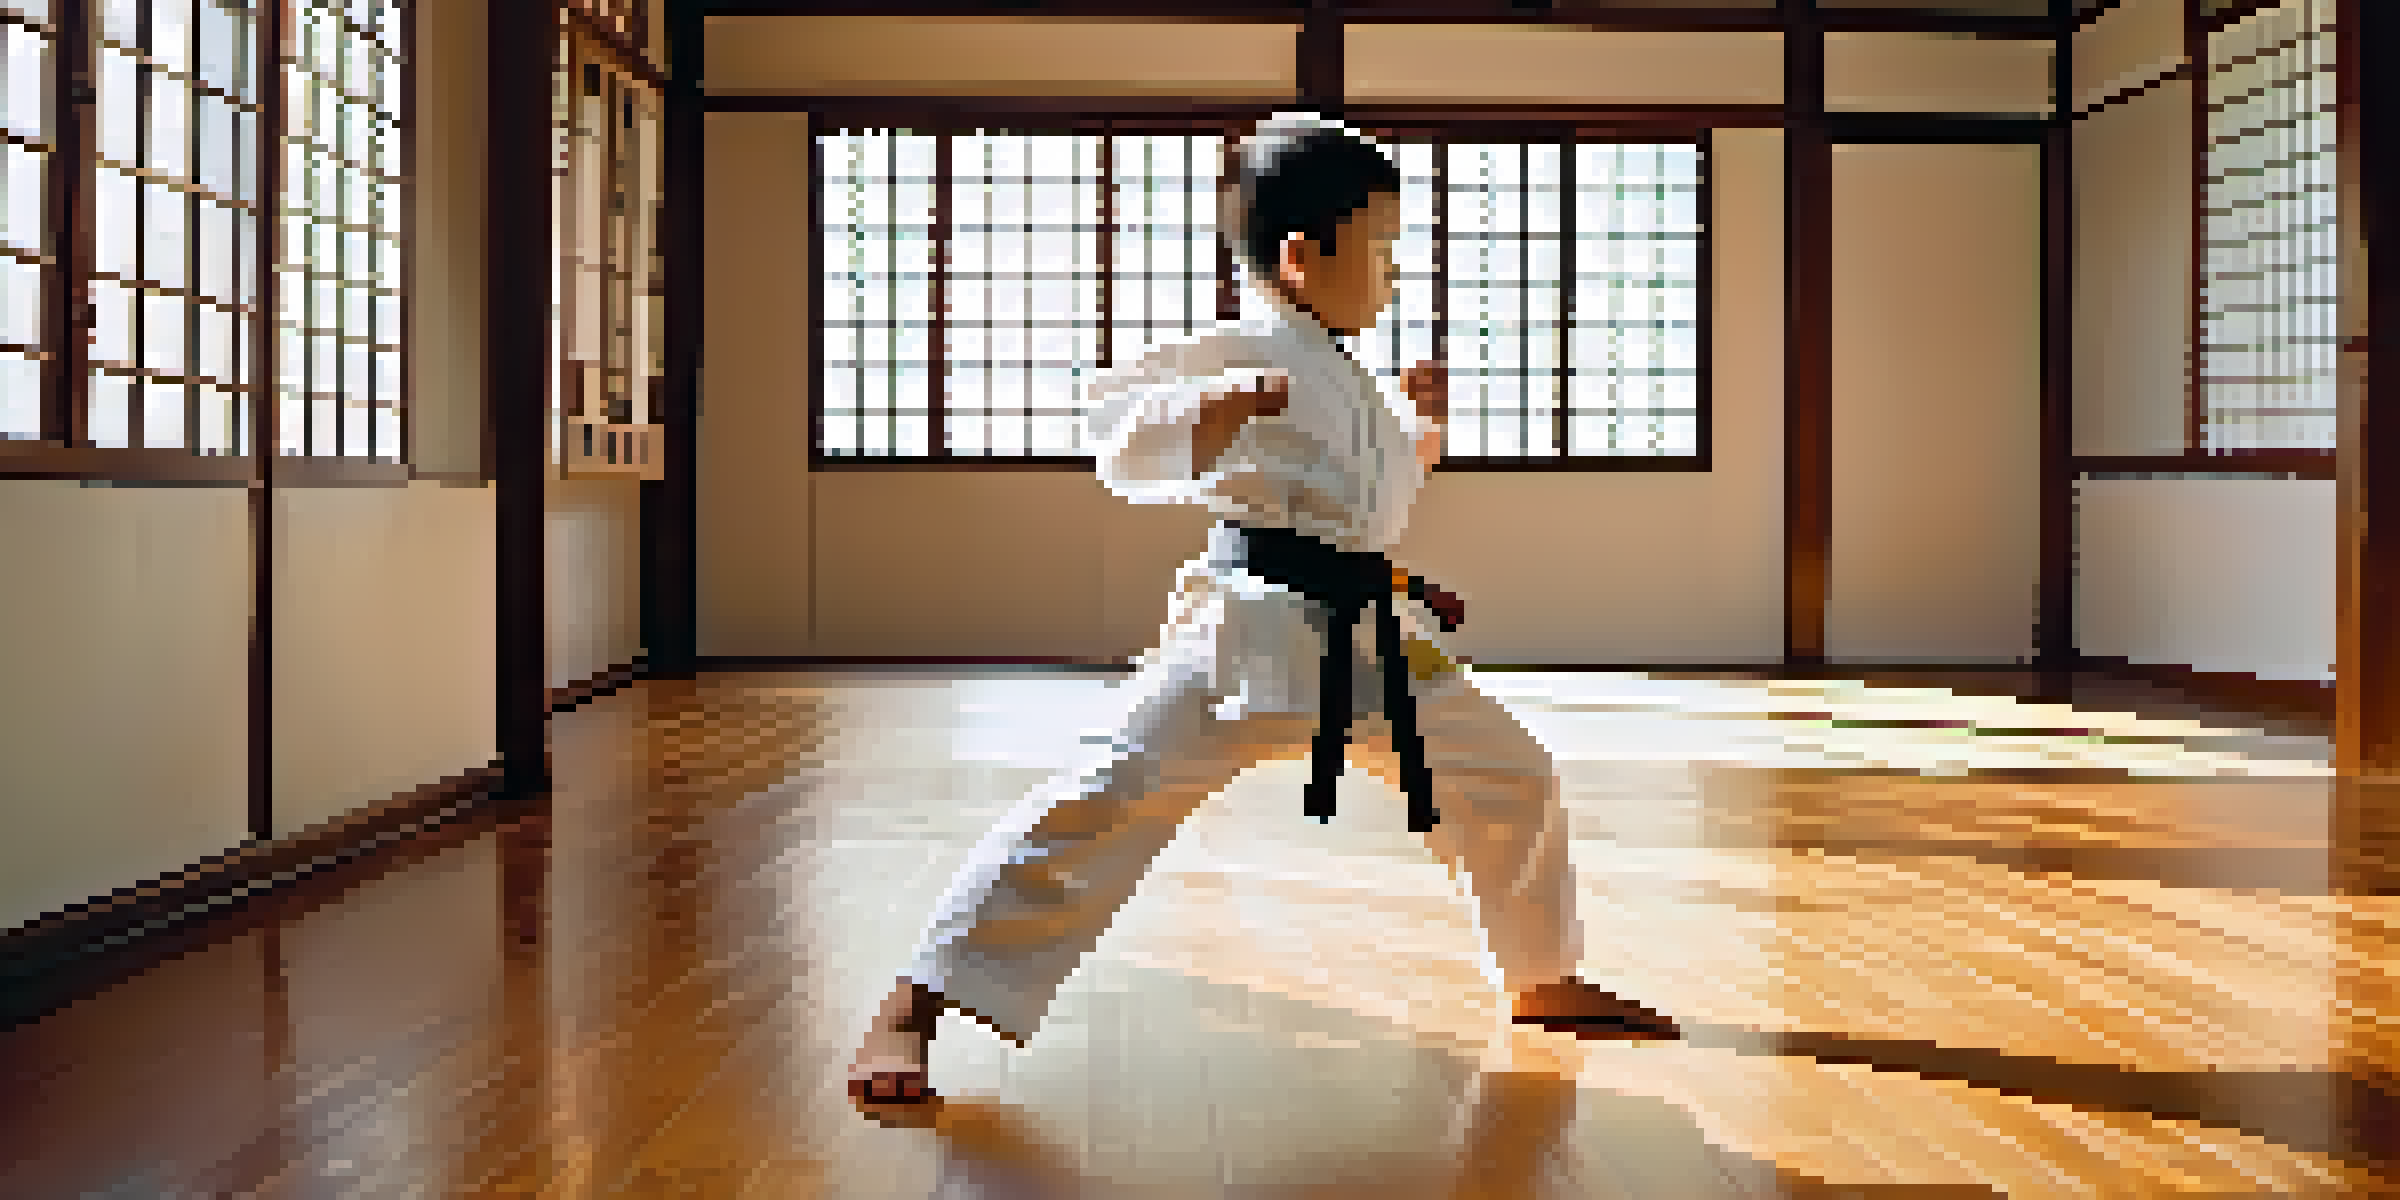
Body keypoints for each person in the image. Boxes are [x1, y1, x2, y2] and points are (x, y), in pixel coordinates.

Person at [848, 114, 1680, 1107]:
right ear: (1299, 257)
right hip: (1241, 633)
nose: (1393, 274)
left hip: (1365, 640)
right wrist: (1214, 409)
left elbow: (1365, 513)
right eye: (1379, 250)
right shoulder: (1242, 347)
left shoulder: (1351, 379)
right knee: (1100, 800)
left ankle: (1542, 971)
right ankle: (914, 1003)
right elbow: (1114, 424)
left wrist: (1424, 430)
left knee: (1511, 772)